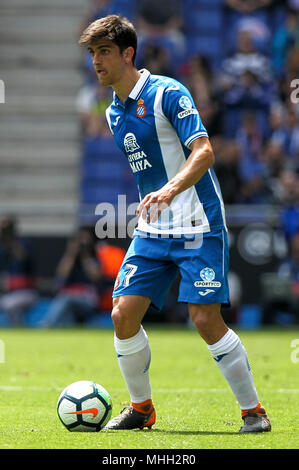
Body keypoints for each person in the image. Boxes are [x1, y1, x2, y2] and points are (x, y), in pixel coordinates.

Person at [79, 14, 271, 433]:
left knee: (204, 319)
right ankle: (141, 408)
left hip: (198, 222)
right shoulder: (114, 113)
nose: (96, 61)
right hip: (153, 229)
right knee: (122, 314)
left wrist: (169, 191)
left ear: (128, 53)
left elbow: (203, 152)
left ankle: (254, 412)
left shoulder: (168, 92)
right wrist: (153, 201)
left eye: (104, 51)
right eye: (93, 53)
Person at [39, 227, 102, 327]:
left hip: (87, 299)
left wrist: (85, 255)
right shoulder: (70, 258)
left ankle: (47, 324)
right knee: (66, 304)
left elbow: (96, 277)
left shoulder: (94, 258)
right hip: (69, 295)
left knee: (66, 299)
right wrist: (72, 253)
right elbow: (62, 274)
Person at [0, 216, 38, 326]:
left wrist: (10, 240)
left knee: (11, 306)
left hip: (27, 292)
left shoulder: (25, 243)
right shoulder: (3, 248)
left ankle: (19, 330)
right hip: (10, 294)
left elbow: (22, 257)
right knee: (10, 304)